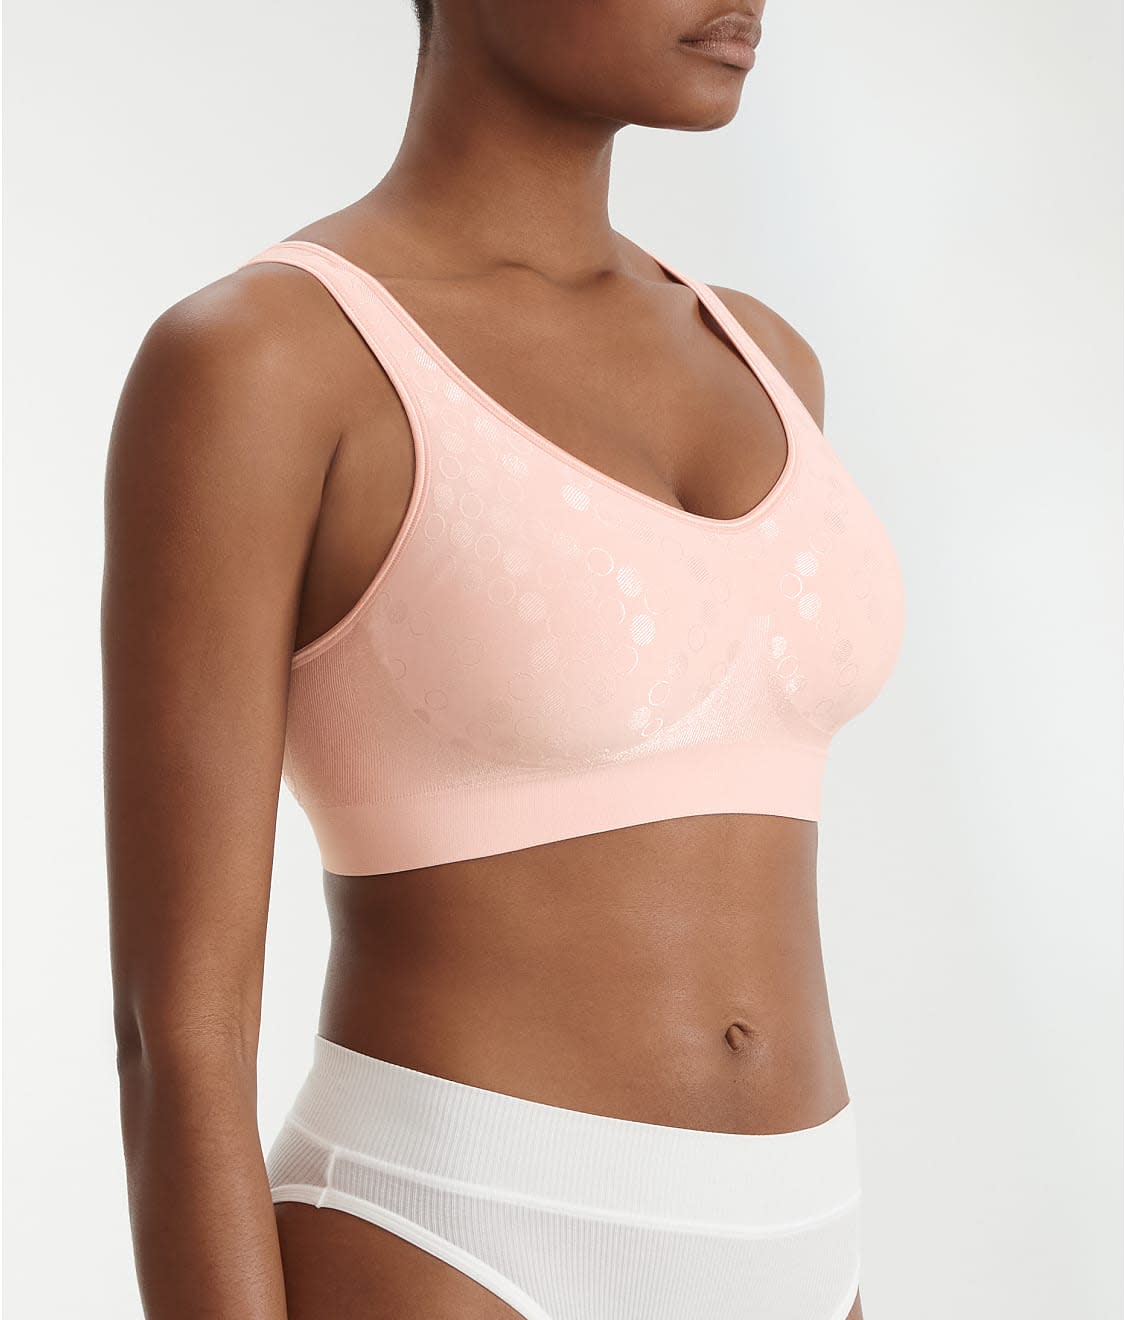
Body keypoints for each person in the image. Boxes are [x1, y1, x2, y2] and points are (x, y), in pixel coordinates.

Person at [103, 2, 906, 1316]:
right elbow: (176, 1033)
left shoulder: (765, 358)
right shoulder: (267, 360)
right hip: (451, 1237)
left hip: (807, 1242)